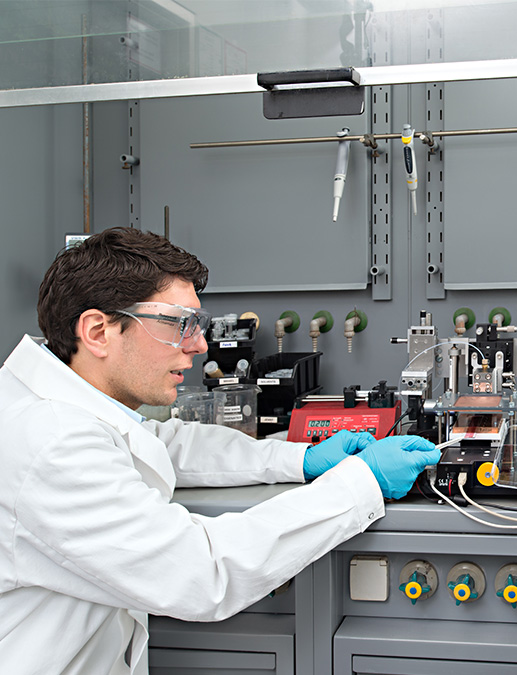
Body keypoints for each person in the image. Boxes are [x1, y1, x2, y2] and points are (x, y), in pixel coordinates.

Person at [0, 227, 439, 674]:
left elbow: (164, 444)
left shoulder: (60, 406)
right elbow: (200, 571)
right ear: (98, 331)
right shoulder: (51, 441)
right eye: (178, 324)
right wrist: (362, 483)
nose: (200, 345)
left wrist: (299, 458)